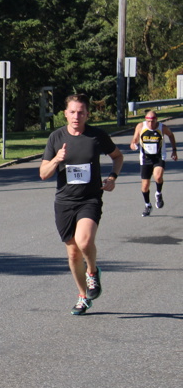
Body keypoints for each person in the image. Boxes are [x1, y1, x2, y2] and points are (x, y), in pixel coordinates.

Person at [40, 94, 123, 316]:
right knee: (73, 254)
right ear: (65, 114)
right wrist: (57, 159)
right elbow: (44, 174)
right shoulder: (56, 137)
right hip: (65, 202)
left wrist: (113, 177)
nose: (76, 116)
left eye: (81, 112)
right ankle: (83, 296)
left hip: (90, 199)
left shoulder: (97, 136)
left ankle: (92, 272)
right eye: (72, 112)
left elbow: (117, 157)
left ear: (87, 114)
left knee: (84, 242)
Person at [129, 111, 177, 216]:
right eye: (148, 121)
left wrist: (174, 150)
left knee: (158, 176)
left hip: (159, 157)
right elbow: (134, 141)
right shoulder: (140, 126)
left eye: (153, 121)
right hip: (145, 159)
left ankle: (158, 193)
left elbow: (171, 135)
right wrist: (133, 145)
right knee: (145, 186)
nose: (150, 124)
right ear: (145, 120)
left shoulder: (162, 127)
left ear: (156, 120)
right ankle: (148, 205)